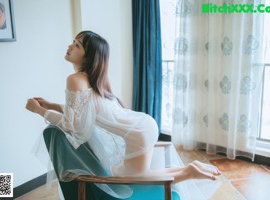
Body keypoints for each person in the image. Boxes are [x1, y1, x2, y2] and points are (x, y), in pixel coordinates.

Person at [26, 30, 221, 197]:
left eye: (77, 45)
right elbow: (81, 113)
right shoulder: (91, 79)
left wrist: (39, 111)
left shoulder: (76, 79)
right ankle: (188, 169)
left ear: (88, 56)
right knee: (132, 174)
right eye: (74, 42)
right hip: (141, 125)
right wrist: (51, 105)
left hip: (137, 132)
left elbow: (72, 125)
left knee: (134, 177)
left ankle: (189, 172)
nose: (70, 46)